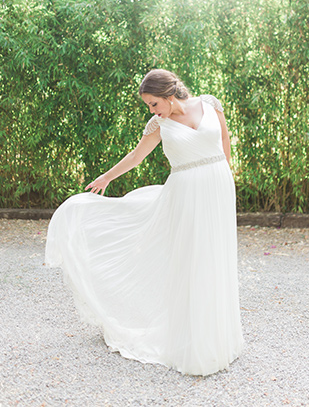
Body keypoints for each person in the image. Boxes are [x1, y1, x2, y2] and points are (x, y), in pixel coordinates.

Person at [45, 69, 244, 376]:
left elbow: (225, 139)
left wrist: (227, 177)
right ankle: (193, 344)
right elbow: (136, 157)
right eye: (149, 106)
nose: (151, 110)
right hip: (186, 193)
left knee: (216, 258)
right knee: (192, 261)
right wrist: (107, 176)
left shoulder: (209, 104)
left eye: (153, 103)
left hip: (218, 186)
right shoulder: (159, 125)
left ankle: (219, 339)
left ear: (168, 94)